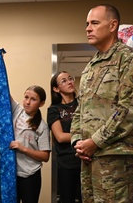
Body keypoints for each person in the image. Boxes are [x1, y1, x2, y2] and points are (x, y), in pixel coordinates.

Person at [71, 4, 133, 202]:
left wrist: (95, 141)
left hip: (115, 158)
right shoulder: (91, 66)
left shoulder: (129, 58)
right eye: (87, 24)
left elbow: (130, 108)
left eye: (94, 23)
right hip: (89, 158)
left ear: (113, 25)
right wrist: (77, 141)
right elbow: (80, 108)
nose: (88, 28)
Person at [9, 85, 51, 203]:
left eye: (33, 99)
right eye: (26, 97)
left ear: (41, 103)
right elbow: (3, 90)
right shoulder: (17, 110)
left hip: (30, 175)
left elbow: (45, 156)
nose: (28, 102)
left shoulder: (42, 126)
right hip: (13, 173)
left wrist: (23, 149)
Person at [47, 71, 81, 203]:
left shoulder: (83, 104)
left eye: (70, 79)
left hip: (87, 159)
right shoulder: (54, 110)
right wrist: (83, 135)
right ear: (56, 88)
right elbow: (60, 137)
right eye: (64, 81)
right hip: (66, 163)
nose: (69, 82)